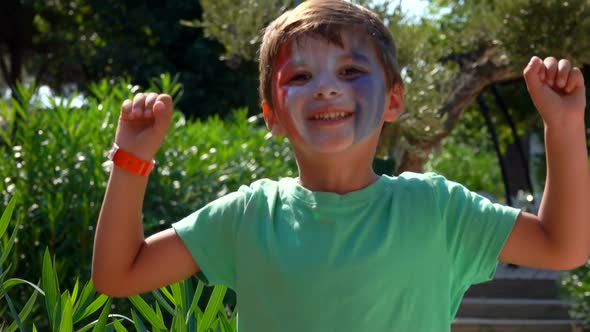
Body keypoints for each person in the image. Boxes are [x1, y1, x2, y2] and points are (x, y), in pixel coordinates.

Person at [92, 0, 590, 331]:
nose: (326, 87)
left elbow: (563, 246)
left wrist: (563, 128)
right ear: (272, 115)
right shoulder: (248, 216)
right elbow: (118, 274)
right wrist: (131, 158)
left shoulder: (438, 210)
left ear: (394, 100)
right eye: (301, 75)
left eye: (351, 70)